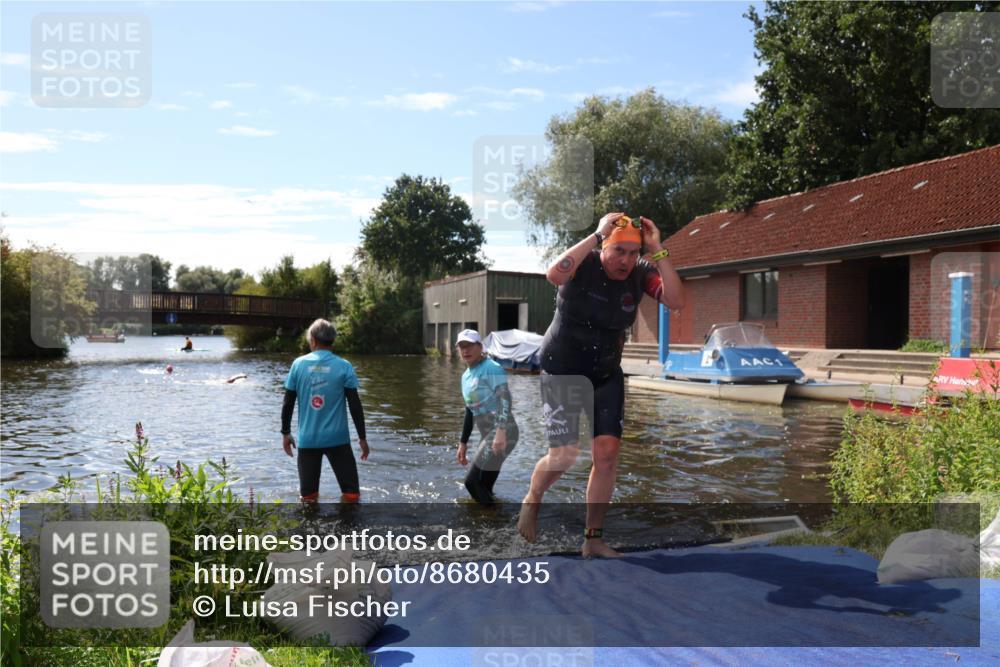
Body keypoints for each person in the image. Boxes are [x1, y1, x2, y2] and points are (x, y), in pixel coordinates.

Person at [517, 212, 684, 558]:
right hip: (562, 369)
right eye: (618, 251)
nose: (625, 260)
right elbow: (553, 274)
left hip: (605, 372)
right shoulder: (584, 263)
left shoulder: (641, 272)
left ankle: (592, 538)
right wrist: (595, 235)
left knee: (606, 454)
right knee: (564, 455)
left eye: (631, 252)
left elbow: (676, 300)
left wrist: (657, 250)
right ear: (604, 246)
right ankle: (533, 497)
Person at [281, 319, 370, 503]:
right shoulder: (344, 366)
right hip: (338, 439)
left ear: (312, 340)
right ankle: (349, 527)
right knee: (352, 494)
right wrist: (362, 438)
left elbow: (288, 402)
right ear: (333, 340)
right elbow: (355, 405)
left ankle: (309, 530)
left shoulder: (298, 365)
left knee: (308, 498)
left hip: (308, 440)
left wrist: (286, 433)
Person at [455, 329, 519, 505]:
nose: (466, 350)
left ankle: (493, 520)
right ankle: (496, 523)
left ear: (480, 347)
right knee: (483, 485)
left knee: (471, 482)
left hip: (504, 430)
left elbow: (505, 398)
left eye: (470, 346)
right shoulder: (465, 377)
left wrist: (500, 431)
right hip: (489, 433)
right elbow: (470, 411)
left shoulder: (491, 368)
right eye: (462, 346)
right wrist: (463, 443)